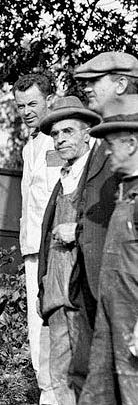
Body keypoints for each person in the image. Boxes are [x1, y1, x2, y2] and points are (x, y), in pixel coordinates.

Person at [68, 53, 138, 383]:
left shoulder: (129, 134)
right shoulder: (104, 134)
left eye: (95, 82)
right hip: (98, 281)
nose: (87, 90)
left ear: (122, 83)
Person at [75, 113, 138, 405]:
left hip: (132, 320)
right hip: (110, 316)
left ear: (131, 143)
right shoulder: (125, 192)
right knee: (97, 395)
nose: (107, 153)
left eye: (112, 144)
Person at [35, 96, 101, 405]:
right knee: (60, 372)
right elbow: (46, 239)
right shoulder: (62, 179)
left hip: (85, 289)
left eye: (68, 132)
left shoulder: (100, 174)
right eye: (55, 134)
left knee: (88, 371)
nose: (60, 139)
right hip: (58, 294)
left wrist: (76, 231)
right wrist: (43, 288)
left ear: (87, 133)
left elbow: (106, 229)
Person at [12, 73, 62, 405]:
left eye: (33, 104)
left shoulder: (59, 141)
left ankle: (60, 404)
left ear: (50, 100)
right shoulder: (29, 147)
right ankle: (48, 400)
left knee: (54, 323)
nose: (27, 112)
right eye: (21, 106)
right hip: (32, 249)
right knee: (36, 328)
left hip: (55, 246)